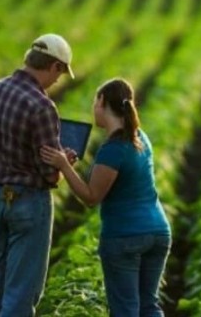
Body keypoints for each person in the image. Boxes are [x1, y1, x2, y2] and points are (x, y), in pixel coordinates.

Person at [40, 78, 172, 316]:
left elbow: (91, 197)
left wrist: (64, 167)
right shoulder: (140, 137)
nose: (93, 107)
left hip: (125, 236)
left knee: (125, 309)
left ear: (101, 102)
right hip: (158, 231)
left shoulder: (113, 149)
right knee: (149, 306)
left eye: (94, 101)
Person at [0, 33, 77, 316]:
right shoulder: (41, 105)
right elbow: (48, 174)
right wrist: (63, 163)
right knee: (21, 292)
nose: (58, 80)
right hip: (29, 202)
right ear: (54, 66)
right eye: (60, 73)